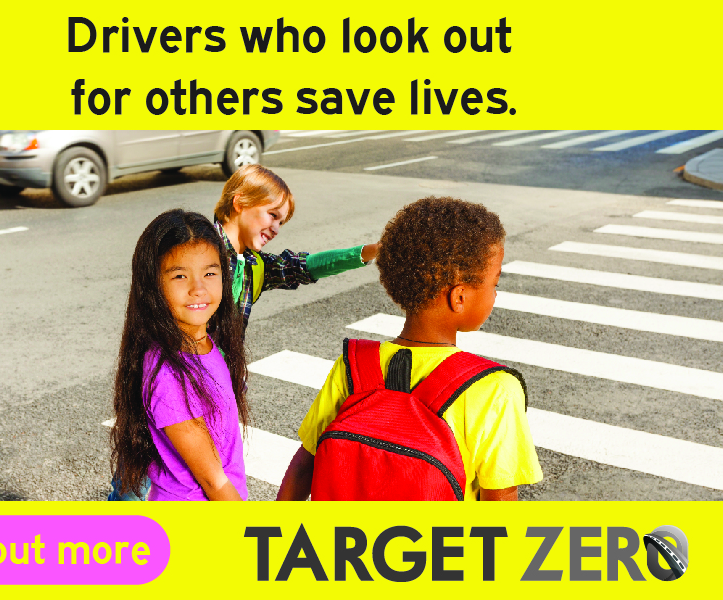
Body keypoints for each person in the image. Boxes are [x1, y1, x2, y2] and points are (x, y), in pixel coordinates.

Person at [277, 196, 543, 501]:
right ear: (459, 297)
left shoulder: (353, 367)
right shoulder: (495, 389)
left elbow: (302, 467)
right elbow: (501, 500)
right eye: (494, 284)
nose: (495, 294)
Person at [110, 209, 249, 501]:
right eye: (180, 276)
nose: (198, 289)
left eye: (209, 273)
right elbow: (213, 482)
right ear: (153, 286)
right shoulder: (169, 375)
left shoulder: (204, 342)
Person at [213, 164, 379, 328]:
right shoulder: (202, 252)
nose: (276, 229)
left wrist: (375, 250)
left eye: (281, 222)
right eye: (273, 215)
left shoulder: (255, 265)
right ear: (240, 203)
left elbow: (304, 266)